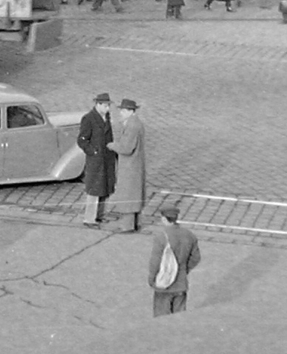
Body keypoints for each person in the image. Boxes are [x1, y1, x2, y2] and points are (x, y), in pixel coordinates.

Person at [148, 205, 201, 316]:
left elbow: (155, 261)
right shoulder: (189, 235)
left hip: (164, 285)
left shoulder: (161, 237)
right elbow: (196, 257)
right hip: (181, 283)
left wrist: (152, 278)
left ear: (164, 219)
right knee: (179, 318)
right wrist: (184, 269)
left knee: (161, 318)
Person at [107, 99, 146, 232]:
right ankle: (135, 223)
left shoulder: (132, 125)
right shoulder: (134, 123)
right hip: (134, 165)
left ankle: (127, 226)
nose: (121, 113)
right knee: (133, 194)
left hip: (129, 166)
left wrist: (112, 146)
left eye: (123, 111)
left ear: (130, 111)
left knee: (127, 195)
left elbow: (126, 148)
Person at [77, 93, 115, 227]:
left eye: (108, 106)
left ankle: (99, 215)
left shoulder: (106, 117)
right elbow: (82, 140)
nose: (108, 108)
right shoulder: (88, 118)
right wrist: (93, 151)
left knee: (105, 188)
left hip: (107, 159)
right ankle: (89, 219)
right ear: (97, 104)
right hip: (96, 160)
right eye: (105, 106)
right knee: (94, 189)